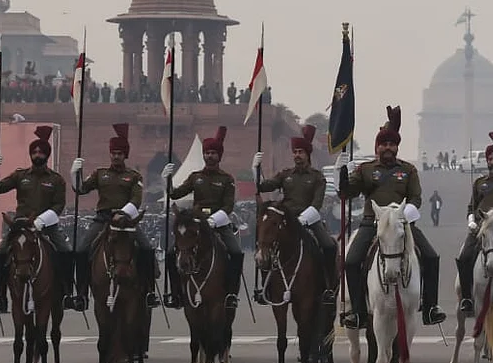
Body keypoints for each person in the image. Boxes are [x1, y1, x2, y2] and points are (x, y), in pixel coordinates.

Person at [338, 105, 446, 327]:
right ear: (377, 147)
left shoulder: (408, 170)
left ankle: (430, 307)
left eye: (392, 144)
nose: (388, 148)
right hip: (373, 223)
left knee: (431, 257)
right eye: (384, 144)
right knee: (351, 260)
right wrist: (342, 174)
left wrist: (402, 215)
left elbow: (416, 197)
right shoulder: (366, 169)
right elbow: (347, 193)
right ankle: (358, 312)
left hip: (400, 223)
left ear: (397, 147)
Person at [72, 123, 158, 310]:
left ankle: (150, 291)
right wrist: (75, 173)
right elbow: (81, 189)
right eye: (114, 153)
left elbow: (136, 200)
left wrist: (121, 214)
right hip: (103, 219)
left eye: (120, 153)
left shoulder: (134, 176)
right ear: (110, 154)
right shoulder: (100, 174)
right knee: (81, 250)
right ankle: (81, 293)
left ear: (125, 155)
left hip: (126, 220)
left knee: (147, 249)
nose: (116, 156)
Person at [0, 126, 72, 313]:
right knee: (1, 254)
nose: (37, 155)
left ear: (47, 155)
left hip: (47, 225)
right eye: (34, 151)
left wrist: (42, 220)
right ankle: (0, 295)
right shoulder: (20, 176)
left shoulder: (56, 180)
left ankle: (68, 293)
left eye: (41, 152)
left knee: (66, 251)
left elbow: (58, 205)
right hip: (20, 226)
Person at [253, 124, 338, 305]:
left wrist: (301, 220)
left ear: (308, 154)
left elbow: (317, 204)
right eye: (295, 152)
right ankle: (265, 287)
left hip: (309, 219)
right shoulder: (286, 175)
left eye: (301, 152)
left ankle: (329, 287)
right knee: (263, 245)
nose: (297, 155)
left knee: (329, 247)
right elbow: (264, 186)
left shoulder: (317, 177)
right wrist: (256, 169)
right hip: (285, 220)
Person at [161, 126, 243, 309]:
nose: (209, 156)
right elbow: (175, 194)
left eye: (213, 153)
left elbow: (228, 206)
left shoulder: (227, 179)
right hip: (196, 224)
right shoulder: (195, 177)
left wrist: (214, 220)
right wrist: (166, 180)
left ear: (219, 156)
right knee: (170, 253)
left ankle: (231, 293)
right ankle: (175, 293)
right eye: (207, 153)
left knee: (236, 253)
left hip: (219, 222)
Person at [455, 130, 493, 317]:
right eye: (490, 159)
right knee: (465, 256)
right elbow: (471, 206)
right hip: (482, 227)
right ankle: (467, 298)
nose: (492, 162)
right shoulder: (479, 183)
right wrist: (471, 221)